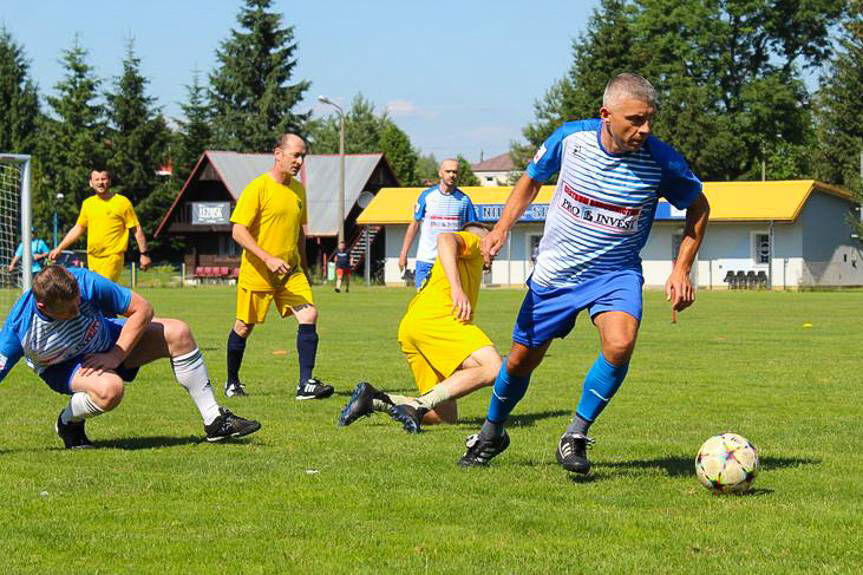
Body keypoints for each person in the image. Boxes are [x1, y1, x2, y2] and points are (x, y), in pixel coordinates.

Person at [458, 73, 710, 472]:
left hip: (616, 272)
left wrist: (681, 268)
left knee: (620, 343)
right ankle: (492, 432)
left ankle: (575, 434)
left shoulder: (662, 161)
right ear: (606, 115)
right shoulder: (570, 140)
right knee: (521, 360)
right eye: (635, 120)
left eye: (649, 120)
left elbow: (699, 207)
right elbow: (530, 181)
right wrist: (502, 228)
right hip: (557, 274)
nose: (644, 129)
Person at [0, 265, 261, 448]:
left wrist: (115, 355)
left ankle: (215, 420)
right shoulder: (18, 329)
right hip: (63, 366)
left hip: (108, 342)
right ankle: (68, 422)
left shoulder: (86, 282)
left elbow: (142, 308)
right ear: (43, 306)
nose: (77, 310)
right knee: (110, 390)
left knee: (178, 333)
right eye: (69, 310)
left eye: (79, 302)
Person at [339, 222, 501, 433]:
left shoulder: (467, 263)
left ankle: (373, 400)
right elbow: (445, 238)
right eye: (494, 244)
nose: (496, 250)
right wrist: (456, 289)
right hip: (438, 320)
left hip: (414, 325)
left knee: (444, 417)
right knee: (495, 368)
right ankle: (416, 406)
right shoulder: (474, 242)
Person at [224, 134, 334, 400]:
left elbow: (298, 233)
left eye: (303, 156)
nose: (299, 161)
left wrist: (304, 268)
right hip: (259, 271)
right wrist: (268, 258)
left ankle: (305, 384)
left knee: (309, 315)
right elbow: (238, 232)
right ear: (278, 154)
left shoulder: (298, 190)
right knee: (244, 326)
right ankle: (232, 382)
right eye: (295, 155)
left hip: (290, 272)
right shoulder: (258, 187)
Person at [49, 170, 151, 282]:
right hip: (92, 257)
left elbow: (136, 229)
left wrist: (144, 254)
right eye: (96, 179)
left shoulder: (122, 202)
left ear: (109, 182)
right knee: (96, 294)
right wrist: (59, 248)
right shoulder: (88, 204)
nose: (100, 182)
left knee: (101, 290)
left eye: (103, 179)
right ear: (91, 183)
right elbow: (79, 228)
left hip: (113, 257)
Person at [399, 159, 478, 288]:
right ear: (440, 173)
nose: (452, 175)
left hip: (451, 262)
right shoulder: (427, 196)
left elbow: (472, 231)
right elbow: (414, 225)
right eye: (448, 171)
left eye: (455, 172)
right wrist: (403, 253)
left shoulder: (464, 200)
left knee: (448, 303)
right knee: (424, 302)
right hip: (426, 261)